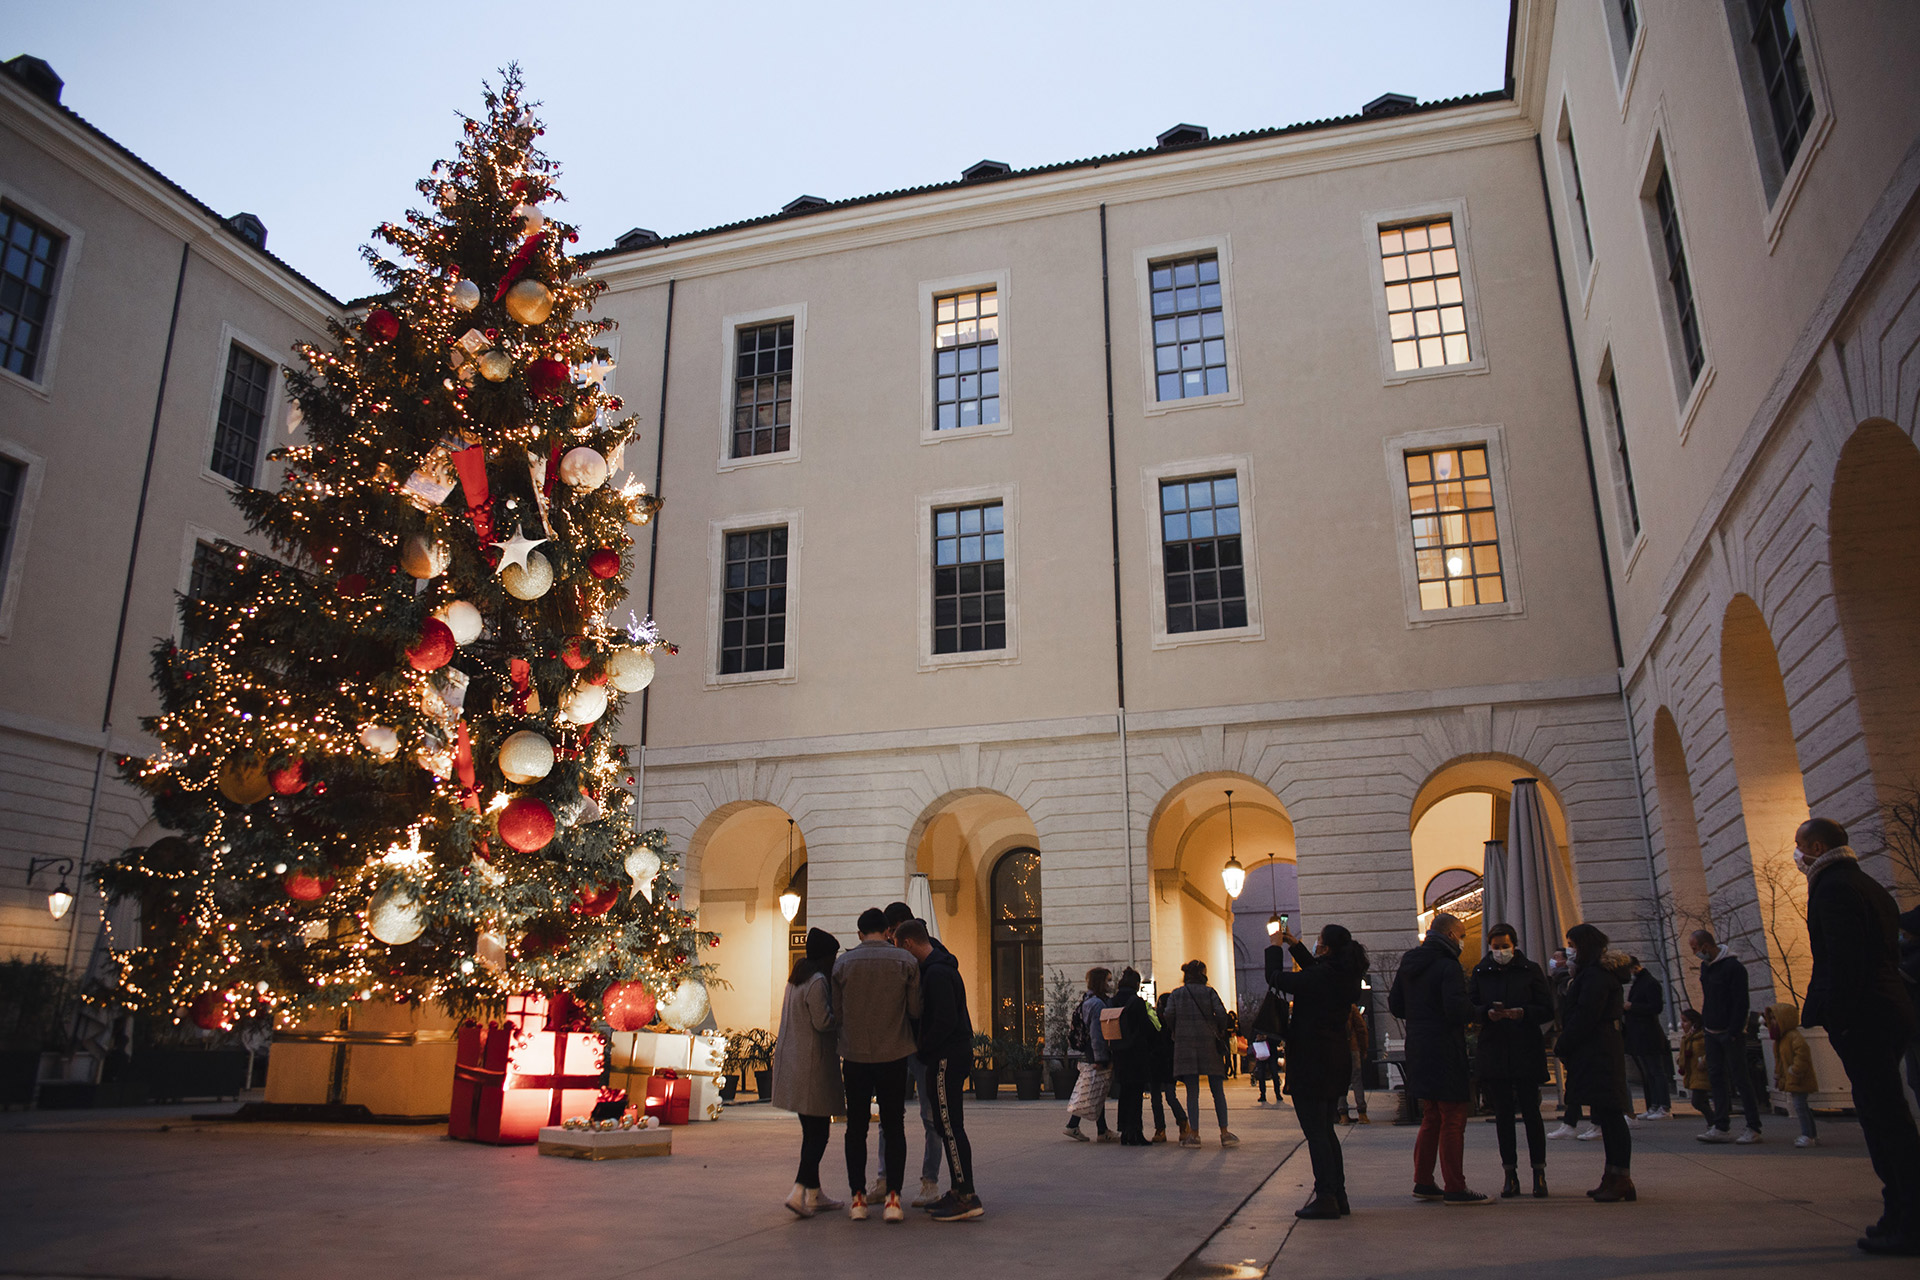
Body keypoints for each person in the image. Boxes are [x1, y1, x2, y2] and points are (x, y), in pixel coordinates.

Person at [1795, 816, 1920, 1256]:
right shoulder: (1866, 885)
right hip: (1886, 1009)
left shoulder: (1832, 888)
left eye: (1799, 845)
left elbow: (1843, 960)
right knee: (1887, 1116)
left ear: (1815, 846)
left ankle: (1909, 1220)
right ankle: (1900, 1213)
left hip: (1864, 1014)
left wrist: (1839, 1016)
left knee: (1884, 1120)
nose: (1796, 855)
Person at [1268, 924, 1368, 1219]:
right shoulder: (1342, 974)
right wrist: (1295, 945)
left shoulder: (1321, 976)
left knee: (1316, 1133)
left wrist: (1275, 947)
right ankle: (1338, 1194)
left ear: (1326, 948)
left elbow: (1274, 978)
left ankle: (1326, 1196)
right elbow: (1316, 972)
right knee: (1326, 1130)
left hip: (1312, 1060)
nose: (1316, 946)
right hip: (1334, 1060)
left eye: (1319, 943)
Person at [1388, 911, 1488, 1205]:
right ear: (1449, 935)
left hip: (1418, 1046)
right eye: (1461, 935)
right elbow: (1457, 1009)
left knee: (1431, 1115)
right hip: (1445, 1047)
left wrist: (1421, 1015)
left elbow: (1396, 1004)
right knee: (1454, 1117)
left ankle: (1424, 1181)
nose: (1462, 941)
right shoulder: (1448, 966)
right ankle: (1455, 1186)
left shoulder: (1409, 962)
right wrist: (1480, 1012)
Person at [832, 906, 922, 1222]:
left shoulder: (842, 964)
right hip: (894, 1054)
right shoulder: (906, 961)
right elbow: (914, 1009)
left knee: (855, 1128)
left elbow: (838, 1014)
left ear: (859, 933)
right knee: (893, 1125)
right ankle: (893, 1198)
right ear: (888, 932)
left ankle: (858, 1198)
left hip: (855, 1055)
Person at [892, 919, 985, 1221]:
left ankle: (966, 1195)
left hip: (946, 1057)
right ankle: (960, 1189)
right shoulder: (943, 968)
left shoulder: (936, 974)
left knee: (949, 1125)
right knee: (948, 1125)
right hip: (950, 1054)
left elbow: (944, 1020)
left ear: (907, 944)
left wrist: (924, 1048)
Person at [1469, 922, 1554, 1198]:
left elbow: (1547, 1008)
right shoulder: (1481, 971)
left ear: (1514, 945)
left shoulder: (1530, 970)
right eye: (1496, 947)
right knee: (1503, 1115)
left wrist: (1524, 1013)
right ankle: (1510, 1174)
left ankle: (1538, 1173)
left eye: (1505, 946)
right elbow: (1470, 1007)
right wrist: (1485, 1013)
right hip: (1495, 1049)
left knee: (1531, 1113)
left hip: (1525, 1046)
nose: (1500, 951)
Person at [773, 927, 847, 1218]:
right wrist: (841, 1016)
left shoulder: (795, 980)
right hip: (813, 1066)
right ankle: (799, 1189)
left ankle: (814, 1194)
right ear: (826, 957)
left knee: (811, 1131)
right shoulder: (817, 982)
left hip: (794, 1062)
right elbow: (823, 1021)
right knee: (819, 1133)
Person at [1558, 924, 1635, 1202]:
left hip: (1598, 1051)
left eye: (1572, 944)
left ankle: (1620, 1177)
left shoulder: (1596, 977)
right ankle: (1613, 1175)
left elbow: (1585, 1015)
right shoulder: (1594, 975)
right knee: (1606, 1114)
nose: (1570, 950)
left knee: (1612, 1116)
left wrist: (1564, 1043)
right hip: (1598, 1049)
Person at [877, 900, 944, 1207]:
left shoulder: (930, 953)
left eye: (891, 933)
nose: (889, 939)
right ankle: (885, 1179)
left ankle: (929, 1181)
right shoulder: (893, 954)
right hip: (897, 1041)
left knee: (930, 1116)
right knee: (890, 1116)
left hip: (919, 1045)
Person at [1690, 928, 1762, 1144]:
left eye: (1695, 948)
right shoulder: (1706, 967)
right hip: (1711, 1031)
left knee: (1741, 1079)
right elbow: (1709, 998)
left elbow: (1741, 1003)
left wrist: (1733, 1031)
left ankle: (1753, 1126)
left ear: (1705, 946)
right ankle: (1720, 1125)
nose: (1695, 952)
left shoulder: (1733, 968)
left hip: (1729, 1033)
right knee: (1716, 1079)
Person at [1168, 959, 1237, 1148]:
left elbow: (1168, 1014)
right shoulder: (1209, 992)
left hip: (1185, 1045)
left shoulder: (1177, 994)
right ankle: (1224, 1132)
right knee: (1217, 1091)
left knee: (1192, 1092)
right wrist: (1220, 1030)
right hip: (1209, 1045)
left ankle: (1195, 1134)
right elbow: (1222, 1014)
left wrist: (1177, 1030)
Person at [1544, 948, 1592, 1140]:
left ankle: (1588, 1121)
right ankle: (1571, 1120)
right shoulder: (1558, 980)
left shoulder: (1573, 981)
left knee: (1582, 1080)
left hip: (1579, 1037)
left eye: (1558, 958)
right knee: (1574, 1080)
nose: (1553, 961)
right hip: (1570, 1033)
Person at [1064, 968, 1116, 1143]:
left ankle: (1101, 1130)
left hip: (1090, 1051)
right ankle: (1073, 1125)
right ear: (1101, 982)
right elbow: (1096, 1033)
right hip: (1095, 1052)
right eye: (1108, 980)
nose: (1111, 983)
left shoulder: (1089, 1000)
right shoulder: (1097, 1004)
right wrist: (1101, 1058)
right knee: (1094, 1089)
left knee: (1095, 1089)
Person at [1110, 968, 1157, 1144]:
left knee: (1124, 1093)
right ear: (1136, 984)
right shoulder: (1137, 1002)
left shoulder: (1112, 1001)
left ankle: (1124, 1132)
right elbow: (1147, 1029)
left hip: (1119, 1053)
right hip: (1136, 1054)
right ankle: (1135, 1132)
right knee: (1136, 1094)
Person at [1764, 1001, 1818, 1148]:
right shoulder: (1782, 1039)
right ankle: (1811, 1134)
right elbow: (1781, 1061)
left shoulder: (1793, 1037)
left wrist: (1794, 1070)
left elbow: (1802, 1056)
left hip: (1799, 1078)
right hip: (1794, 1077)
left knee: (1800, 1106)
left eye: (1774, 1018)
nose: (1772, 1022)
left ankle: (1808, 1135)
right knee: (1802, 1106)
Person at [1622, 957, 1671, 1120]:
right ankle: (1654, 1104)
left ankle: (1663, 1105)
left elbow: (1656, 1007)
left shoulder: (1649, 983)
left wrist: (1632, 1007)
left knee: (1656, 1071)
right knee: (1649, 1072)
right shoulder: (1640, 983)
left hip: (1649, 1034)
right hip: (1640, 1034)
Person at [1150, 990, 1191, 1143]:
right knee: (1156, 1098)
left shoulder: (1172, 1022)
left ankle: (1181, 1122)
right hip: (1158, 1062)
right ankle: (1160, 1128)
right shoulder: (1155, 1021)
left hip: (1166, 1062)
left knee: (1169, 1096)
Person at [1677, 1009, 1711, 1120]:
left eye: (1685, 1021)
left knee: (1697, 1102)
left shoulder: (1702, 1037)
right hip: (1693, 1073)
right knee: (1703, 1101)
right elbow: (1683, 1054)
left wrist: (1704, 1061)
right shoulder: (1687, 1038)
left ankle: (1714, 1120)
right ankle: (1712, 1123)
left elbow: (1710, 1051)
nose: (1682, 1024)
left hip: (1701, 1073)